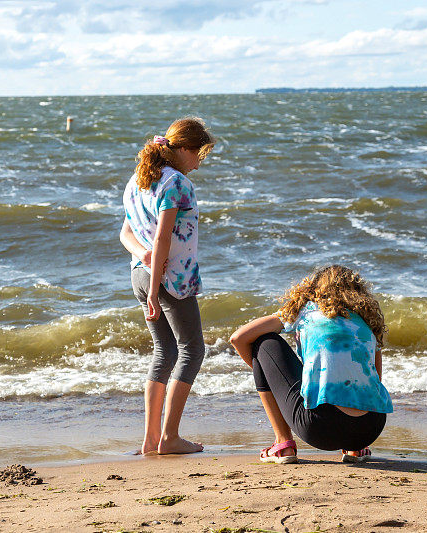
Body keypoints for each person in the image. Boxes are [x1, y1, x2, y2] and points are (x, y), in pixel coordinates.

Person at [119, 117, 215, 455]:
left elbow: (125, 234)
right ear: (185, 149)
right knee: (192, 350)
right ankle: (169, 437)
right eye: (199, 154)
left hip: (139, 276)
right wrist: (158, 274)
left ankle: (150, 440)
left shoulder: (139, 180)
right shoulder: (176, 183)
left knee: (165, 353)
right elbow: (163, 234)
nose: (200, 162)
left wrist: (144, 258)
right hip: (171, 280)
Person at [229, 265, 392, 464]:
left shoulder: (306, 311)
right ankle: (355, 450)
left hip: (320, 428)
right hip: (370, 428)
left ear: (313, 290)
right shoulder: (367, 323)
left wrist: (267, 375)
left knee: (264, 342)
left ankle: (283, 443)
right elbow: (375, 379)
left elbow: (238, 338)